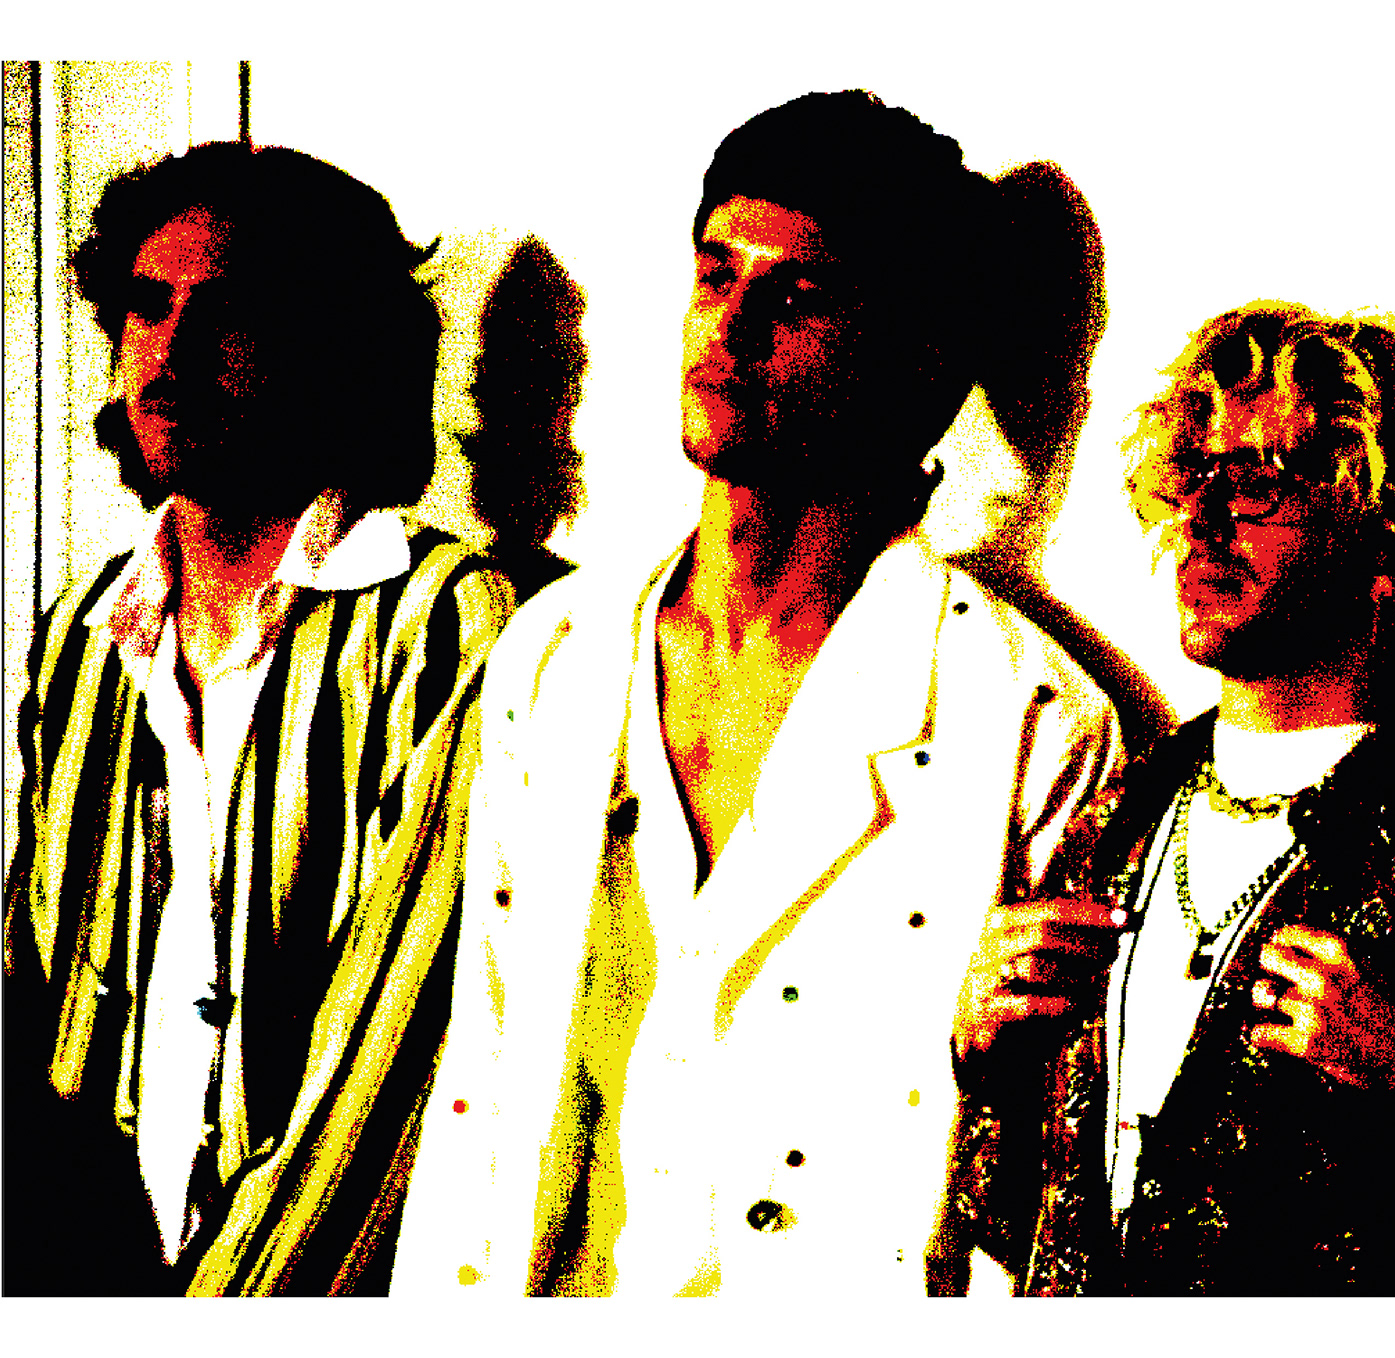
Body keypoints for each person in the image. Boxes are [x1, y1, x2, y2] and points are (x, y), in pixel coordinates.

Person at [393, 91, 1118, 1297]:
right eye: (714, 275)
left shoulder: (1030, 718)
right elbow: (485, 1073)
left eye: (797, 295)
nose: (728, 329)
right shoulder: (554, 654)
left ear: (916, 359)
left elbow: (1036, 1181)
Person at [2, 142, 513, 1295]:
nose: (171, 353)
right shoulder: (85, 630)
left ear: (324, 345)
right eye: (148, 307)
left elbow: (399, 1056)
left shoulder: (436, 620)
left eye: (227, 314)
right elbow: (32, 986)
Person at [943, 302, 1395, 1295]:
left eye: (1258, 485)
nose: (1201, 522)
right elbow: (1003, 1217)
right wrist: (980, 1043)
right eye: (1192, 476)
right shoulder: (1121, 811)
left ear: (1394, 547)